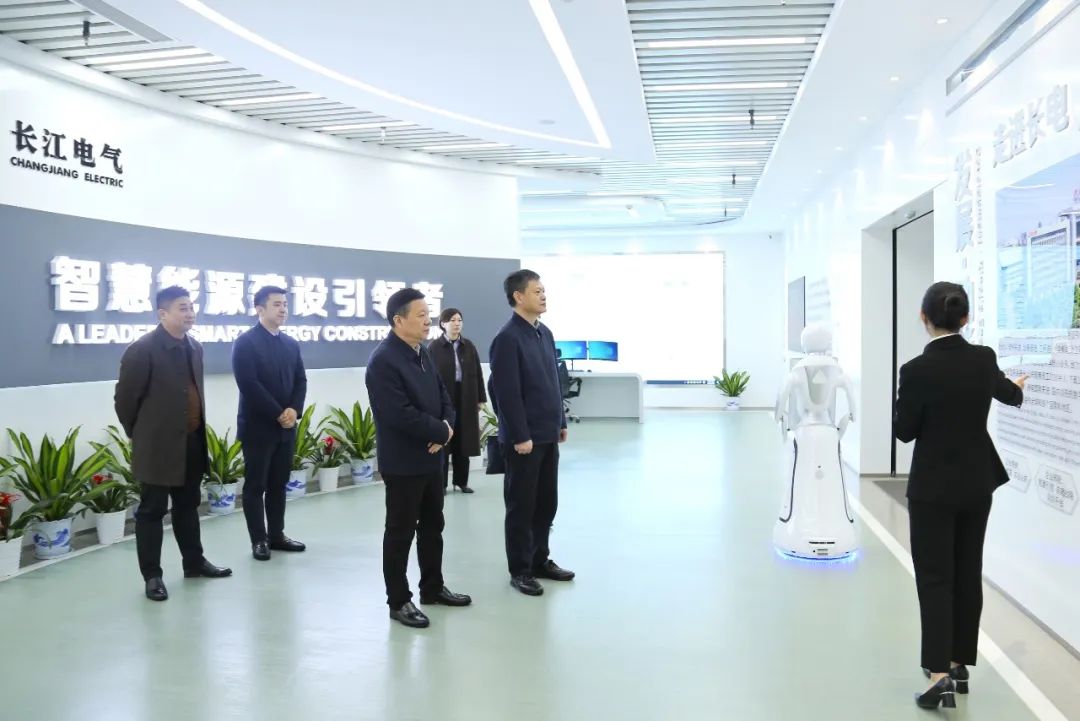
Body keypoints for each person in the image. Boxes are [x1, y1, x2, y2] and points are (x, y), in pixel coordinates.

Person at [894, 282, 1026, 710]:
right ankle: (958, 664)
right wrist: (1016, 387)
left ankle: (938, 677)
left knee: (935, 578)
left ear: (923, 317)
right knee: (968, 571)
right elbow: (1009, 394)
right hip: (976, 483)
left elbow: (904, 431)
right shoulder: (983, 358)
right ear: (965, 318)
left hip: (932, 487)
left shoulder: (915, 370)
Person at [114, 286, 232, 602]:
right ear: (162, 313)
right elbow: (125, 400)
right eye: (182, 308)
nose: (190, 313)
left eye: (191, 307)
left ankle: (194, 562)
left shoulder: (195, 347)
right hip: (156, 446)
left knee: (188, 505)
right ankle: (152, 576)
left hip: (191, 441)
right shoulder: (142, 350)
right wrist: (139, 434)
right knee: (152, 511)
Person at [365, 288, 472, 628]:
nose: (428, 321)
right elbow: (398, 413)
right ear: (399, 320)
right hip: (404, 462)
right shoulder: (383, 360)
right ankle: (398, 601)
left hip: (432, 457)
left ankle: (433, 588)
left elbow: (444, 397)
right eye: (421, 315)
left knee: (432, 526)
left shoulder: (422, 352)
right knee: (400, 533)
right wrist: (440, 432)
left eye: (429, 314)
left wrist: (446, 430)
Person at [489, 269, 574, 597]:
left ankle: (540, 559)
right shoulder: (507, 338)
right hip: (523, 441)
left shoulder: (544, 333)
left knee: (546, 503)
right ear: (518, 296)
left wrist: (560, 421)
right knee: (521, 506)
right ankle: (521, 570)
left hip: (547, 434)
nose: (543, 295)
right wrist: (519, 435)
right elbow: (506, 393)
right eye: (537, 291)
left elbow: (553, 382)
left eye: (543, 290)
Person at [232, 285, 308, 561]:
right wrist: (278, 413)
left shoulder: (290, 344)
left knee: (279, 483)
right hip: (258, 428)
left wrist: (293, 410)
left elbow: (300, 380)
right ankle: (259, 540)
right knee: (256, 486)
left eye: (285, 304)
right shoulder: (245, 343)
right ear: (259, 309)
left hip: (286, 428)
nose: (283, 309)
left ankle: (277, 535)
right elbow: (249, 384)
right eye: (277, 304)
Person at [429, 308, 487, 494]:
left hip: (466, 398)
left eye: (459, 320)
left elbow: (478, 373)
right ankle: (442, 484)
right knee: (444, 441)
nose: (456, 323)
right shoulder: (434, 347)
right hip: (444, 400)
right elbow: (429, 377)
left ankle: (461, 482)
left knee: (464, 441)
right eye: (452, 320)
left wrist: (480, 398)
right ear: (443, 324)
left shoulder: (468, 346)